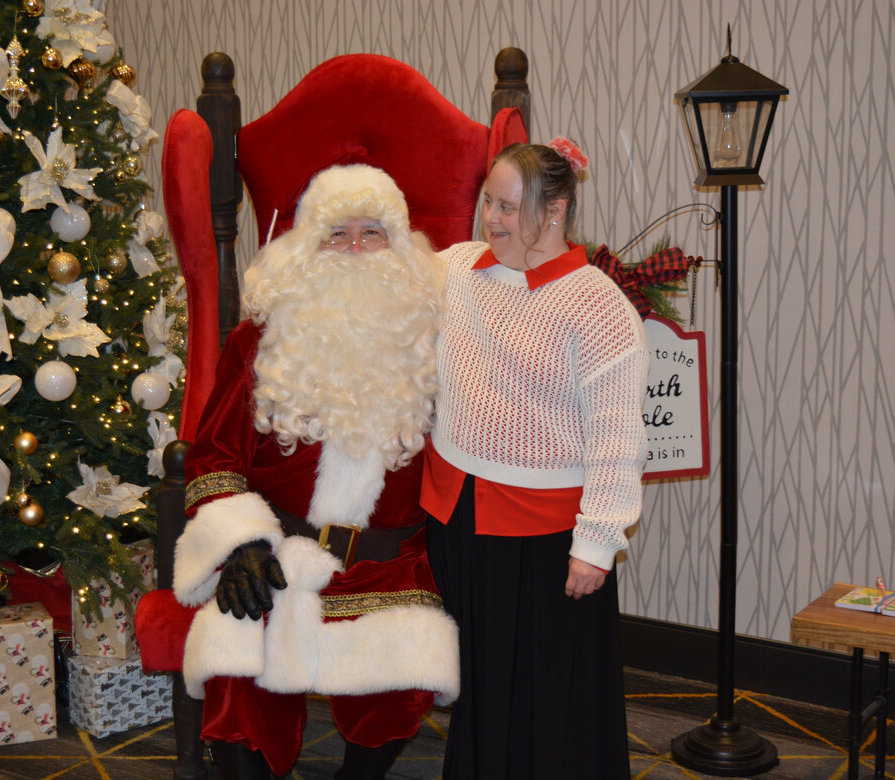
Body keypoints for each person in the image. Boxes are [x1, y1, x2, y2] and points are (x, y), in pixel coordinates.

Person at [170, 164, 458, 780]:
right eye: (337, 234)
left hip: (390, 562)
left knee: (401, 672)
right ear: (306, 245)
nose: (354, 248)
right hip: (276, 550)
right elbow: (213, 455)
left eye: (372, 232)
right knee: (237, 665)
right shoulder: (258, 340)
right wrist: (242, 542)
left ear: (400, 245)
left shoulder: (437, 341)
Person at [423, 139, 649, 779]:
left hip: (543, 534)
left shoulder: (597, 306)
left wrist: (596, 544)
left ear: (555, 210)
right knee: (481, 680)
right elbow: (384, 282)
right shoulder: (457, 268)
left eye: (507, 206)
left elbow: (616, 438)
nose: (489, 218)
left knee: (546, 693)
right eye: (487, 201)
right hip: (456, 511)